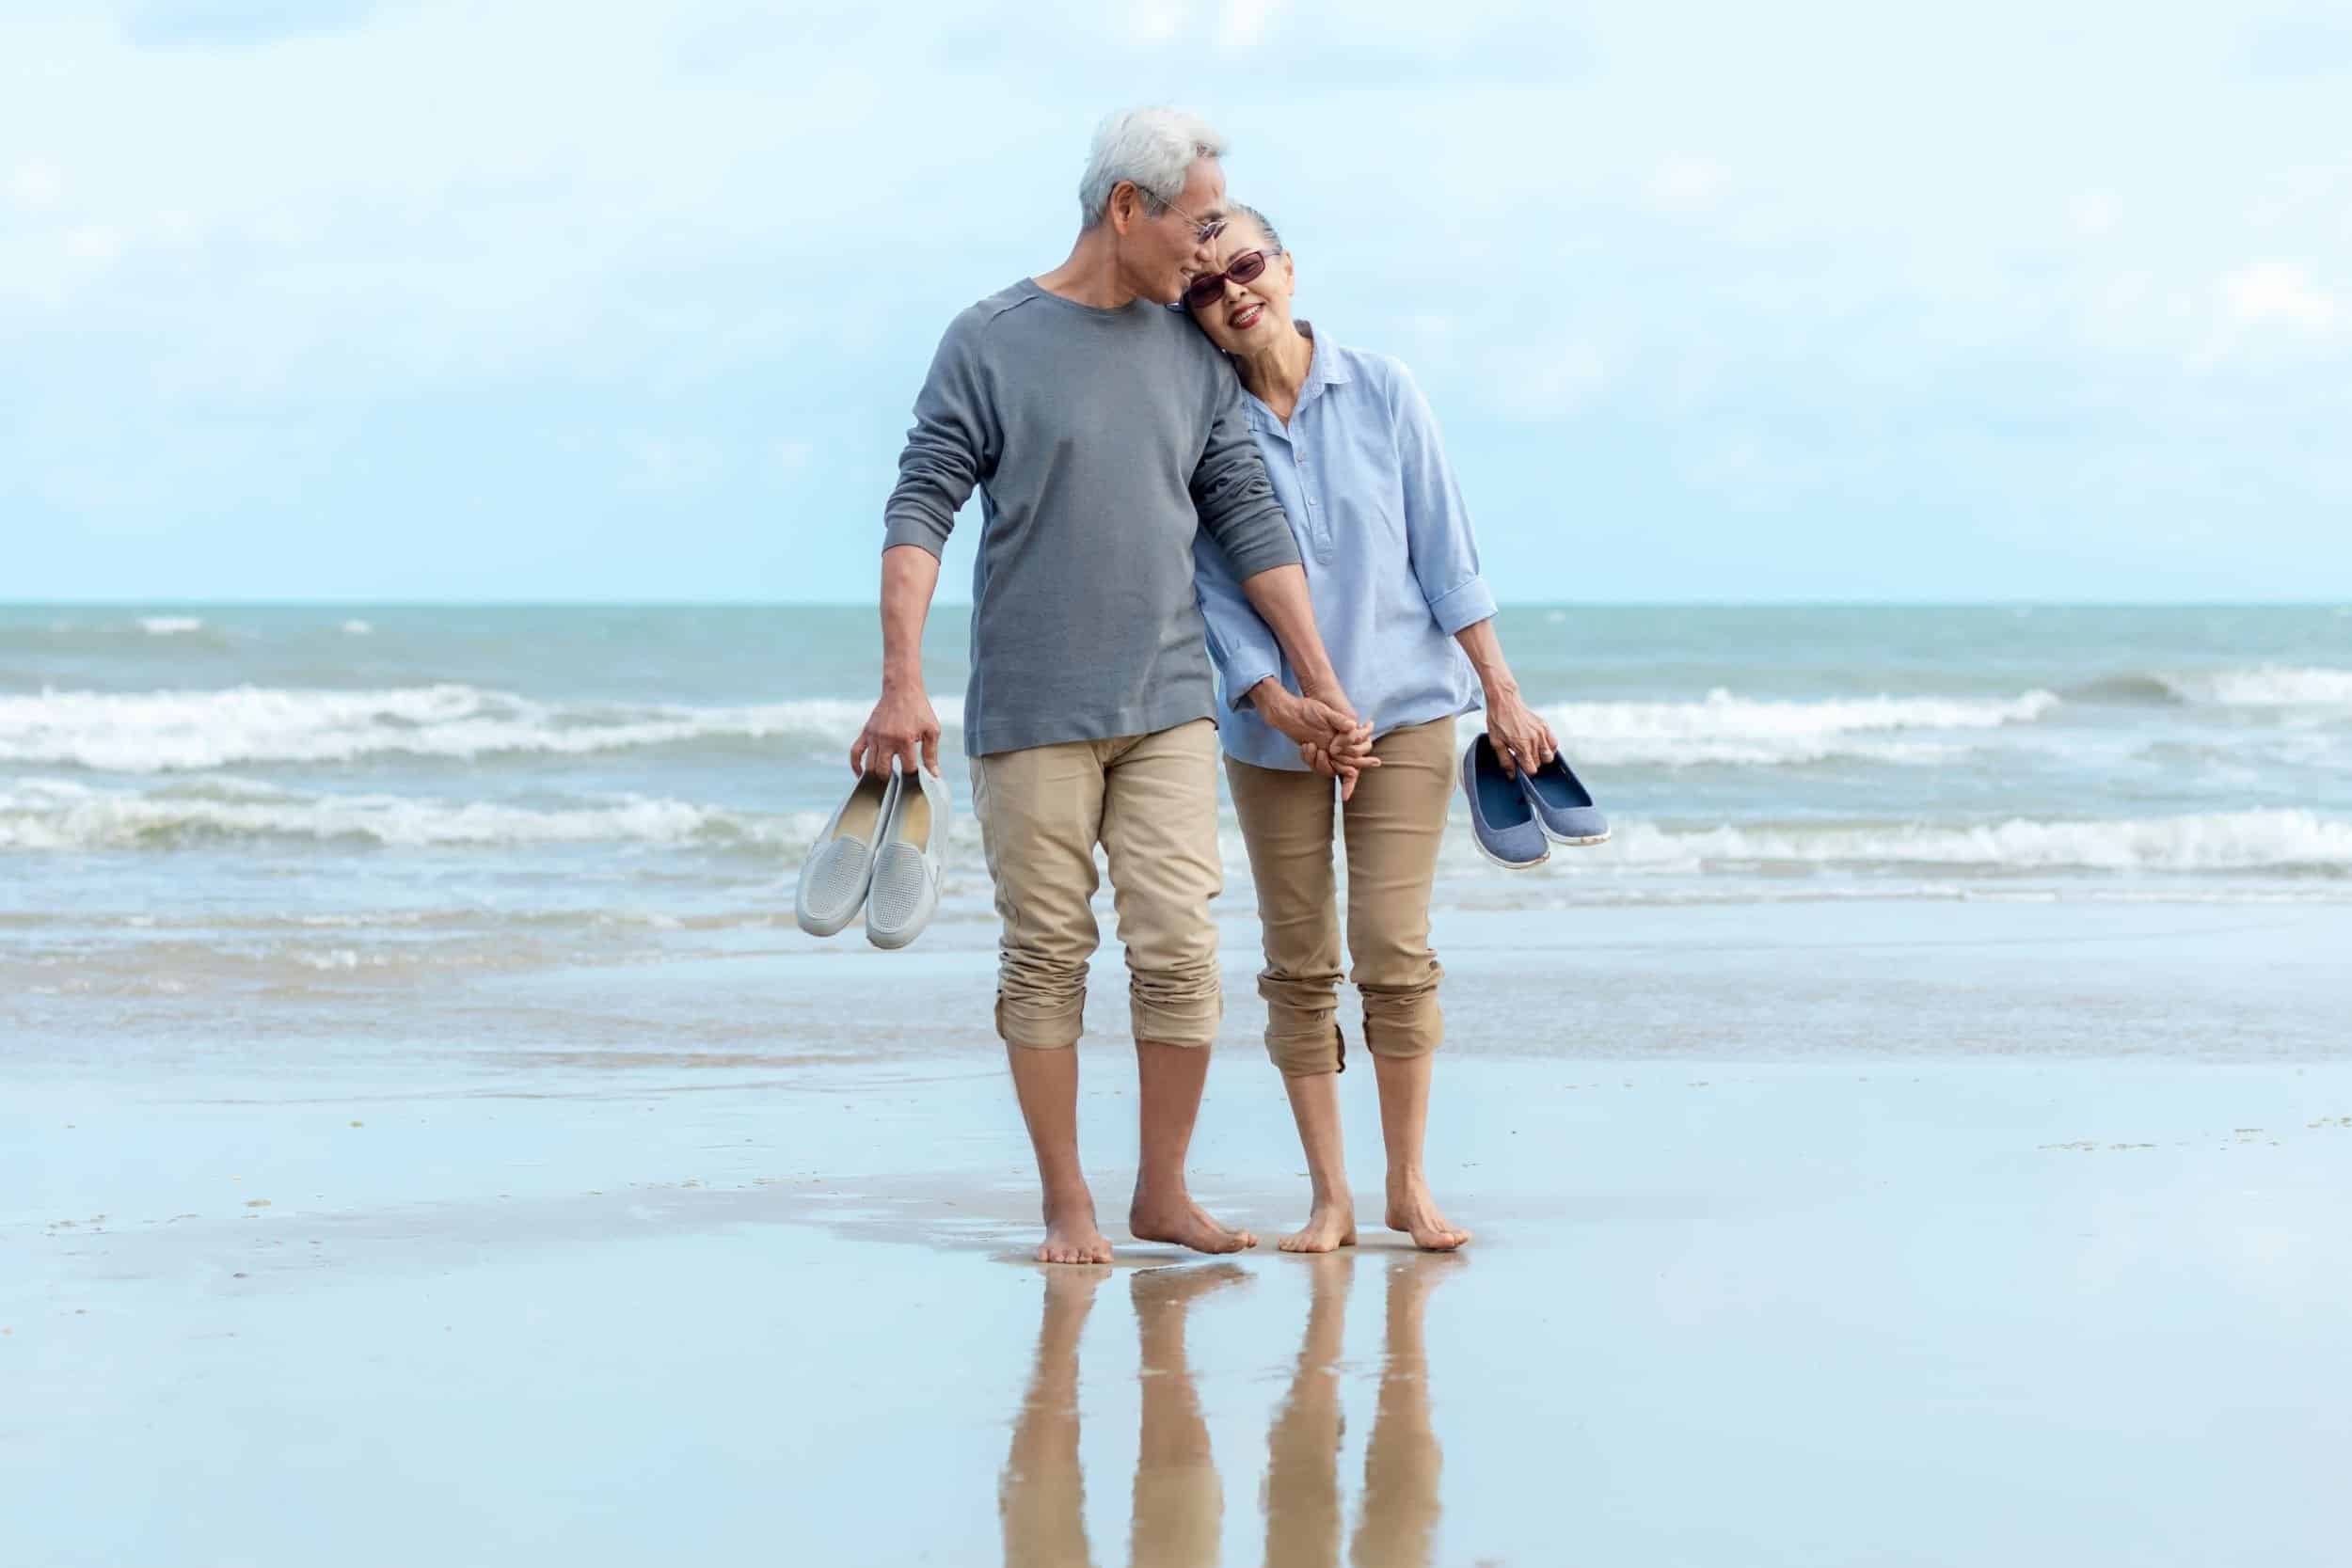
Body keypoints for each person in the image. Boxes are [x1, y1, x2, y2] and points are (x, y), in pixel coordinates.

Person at [852, 112, 1369, 1266]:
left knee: (1179, 947)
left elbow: (1247, 514)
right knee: (1044, 952)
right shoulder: (987, 339)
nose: (1209, 248)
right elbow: (921, 504)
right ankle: (1066, 1204)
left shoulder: (1190, 355)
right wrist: (901, 681)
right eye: (1197, 225)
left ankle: (1162, 1192)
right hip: (1031, 708)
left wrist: (1317, 680)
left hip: (1170, 700)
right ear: (1125, 210)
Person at [1187, 204, 1559, 1252]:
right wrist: (1277, 700)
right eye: (1205, 287)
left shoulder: (1383, 388)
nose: (1232, 292)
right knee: (1298, 960)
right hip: (1275, 733)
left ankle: (1405, 1185)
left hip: (1405, 712)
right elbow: (1213, 592)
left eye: (1246, 266)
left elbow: (1446, 552)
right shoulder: (1203, 424)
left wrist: (1502, 688)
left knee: (1392, 946)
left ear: (1288, 267)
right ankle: (1330, 1197)